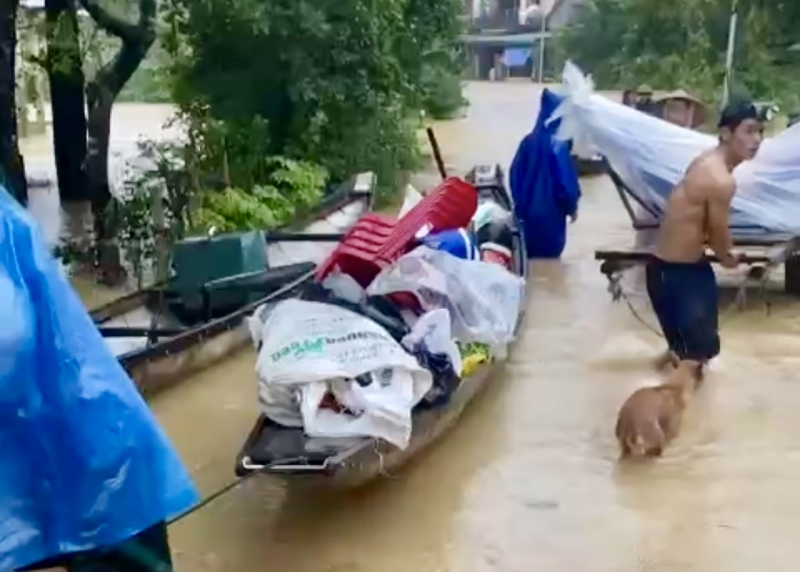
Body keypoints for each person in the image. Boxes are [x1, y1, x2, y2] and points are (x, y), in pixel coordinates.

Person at [616, 99, 764, 457]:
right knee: (696, 359)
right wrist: (734, 261)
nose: (757, 139)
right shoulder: (720, 179)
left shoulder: (706, 163)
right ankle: (686, 439)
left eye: (759, 131)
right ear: (726, 134)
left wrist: (725, 256)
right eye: (748, 131)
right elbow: (718, 236)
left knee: (692, 355)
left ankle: (653, 407)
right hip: (677, 275)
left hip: (676, 271)